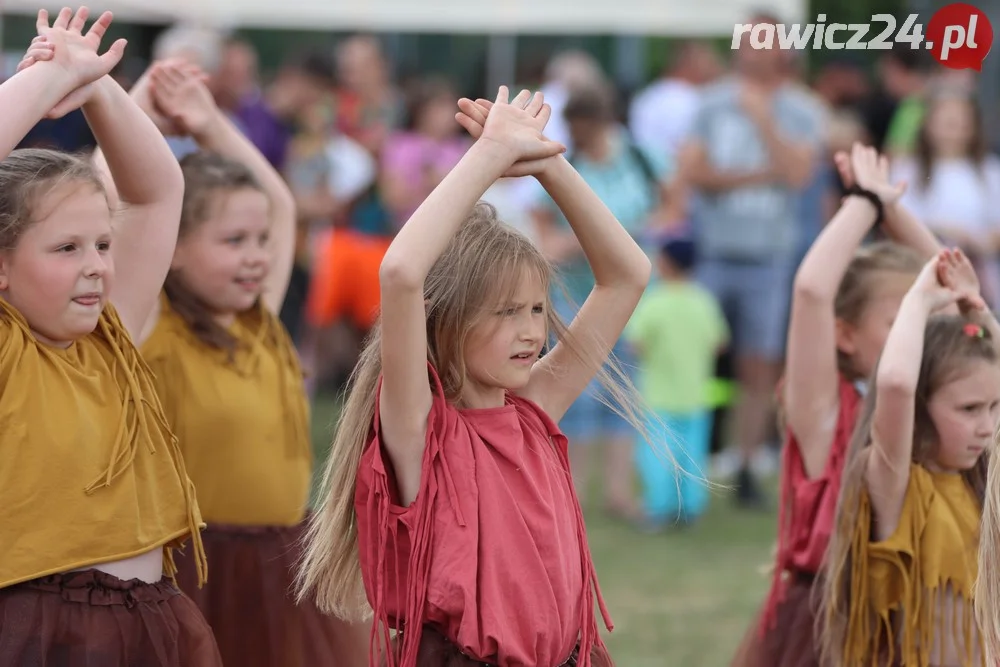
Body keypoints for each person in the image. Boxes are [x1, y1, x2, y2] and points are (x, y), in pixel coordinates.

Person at [297, 86, 654, 667]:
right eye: (505, 312)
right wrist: (487, 157)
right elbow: (403, 271)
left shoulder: (537, 406)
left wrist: (546, 162)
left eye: (537, 310)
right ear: (448, 322)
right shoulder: (420, 427)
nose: (530, 332)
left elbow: (627, 275)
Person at [92, 59, 366, 667]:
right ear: (173, 249)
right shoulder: (150, 325)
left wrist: (209, 120)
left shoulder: (261, 321)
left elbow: (279, 202)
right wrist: (131, 106)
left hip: (282, 566)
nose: (257, 258)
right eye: (233, 241)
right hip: (195, 573)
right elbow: (112, 198)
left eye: (261, 242)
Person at [0, 8, 220, 666]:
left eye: (101, 242)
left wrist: (96, 85)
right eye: (66, 247)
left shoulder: (109, 328)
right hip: (36, 630)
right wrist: (44, 80)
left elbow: (156, 194)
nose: (97, 263)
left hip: (146, 622)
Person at [731, 143, 937, 667]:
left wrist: (895, 208)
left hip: (917, 613)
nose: (917, 331)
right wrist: (863, 202)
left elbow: (958, 288)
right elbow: (812, 290)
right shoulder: (826, 411)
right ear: (845, 335)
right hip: (829, 627)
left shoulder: (936, 408)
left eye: (923, 318)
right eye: (898, 320)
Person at [821, 248, 998, 667]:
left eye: (994, 408)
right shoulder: (896, 485)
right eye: (968, 409)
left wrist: (975, 306)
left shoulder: (983, 484)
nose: (988, 427)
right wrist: (918, 299)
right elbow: (897, 382)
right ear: (919, 407)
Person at [624, 233, 728, 529]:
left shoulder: (654, 302)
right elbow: (719, 343)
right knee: (693, 455)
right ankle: (691, 508)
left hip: (658, 397)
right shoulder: (703, 301)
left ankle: (658, 508)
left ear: (665, 263)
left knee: (658, 456)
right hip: (696, 395)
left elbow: (636, 343)